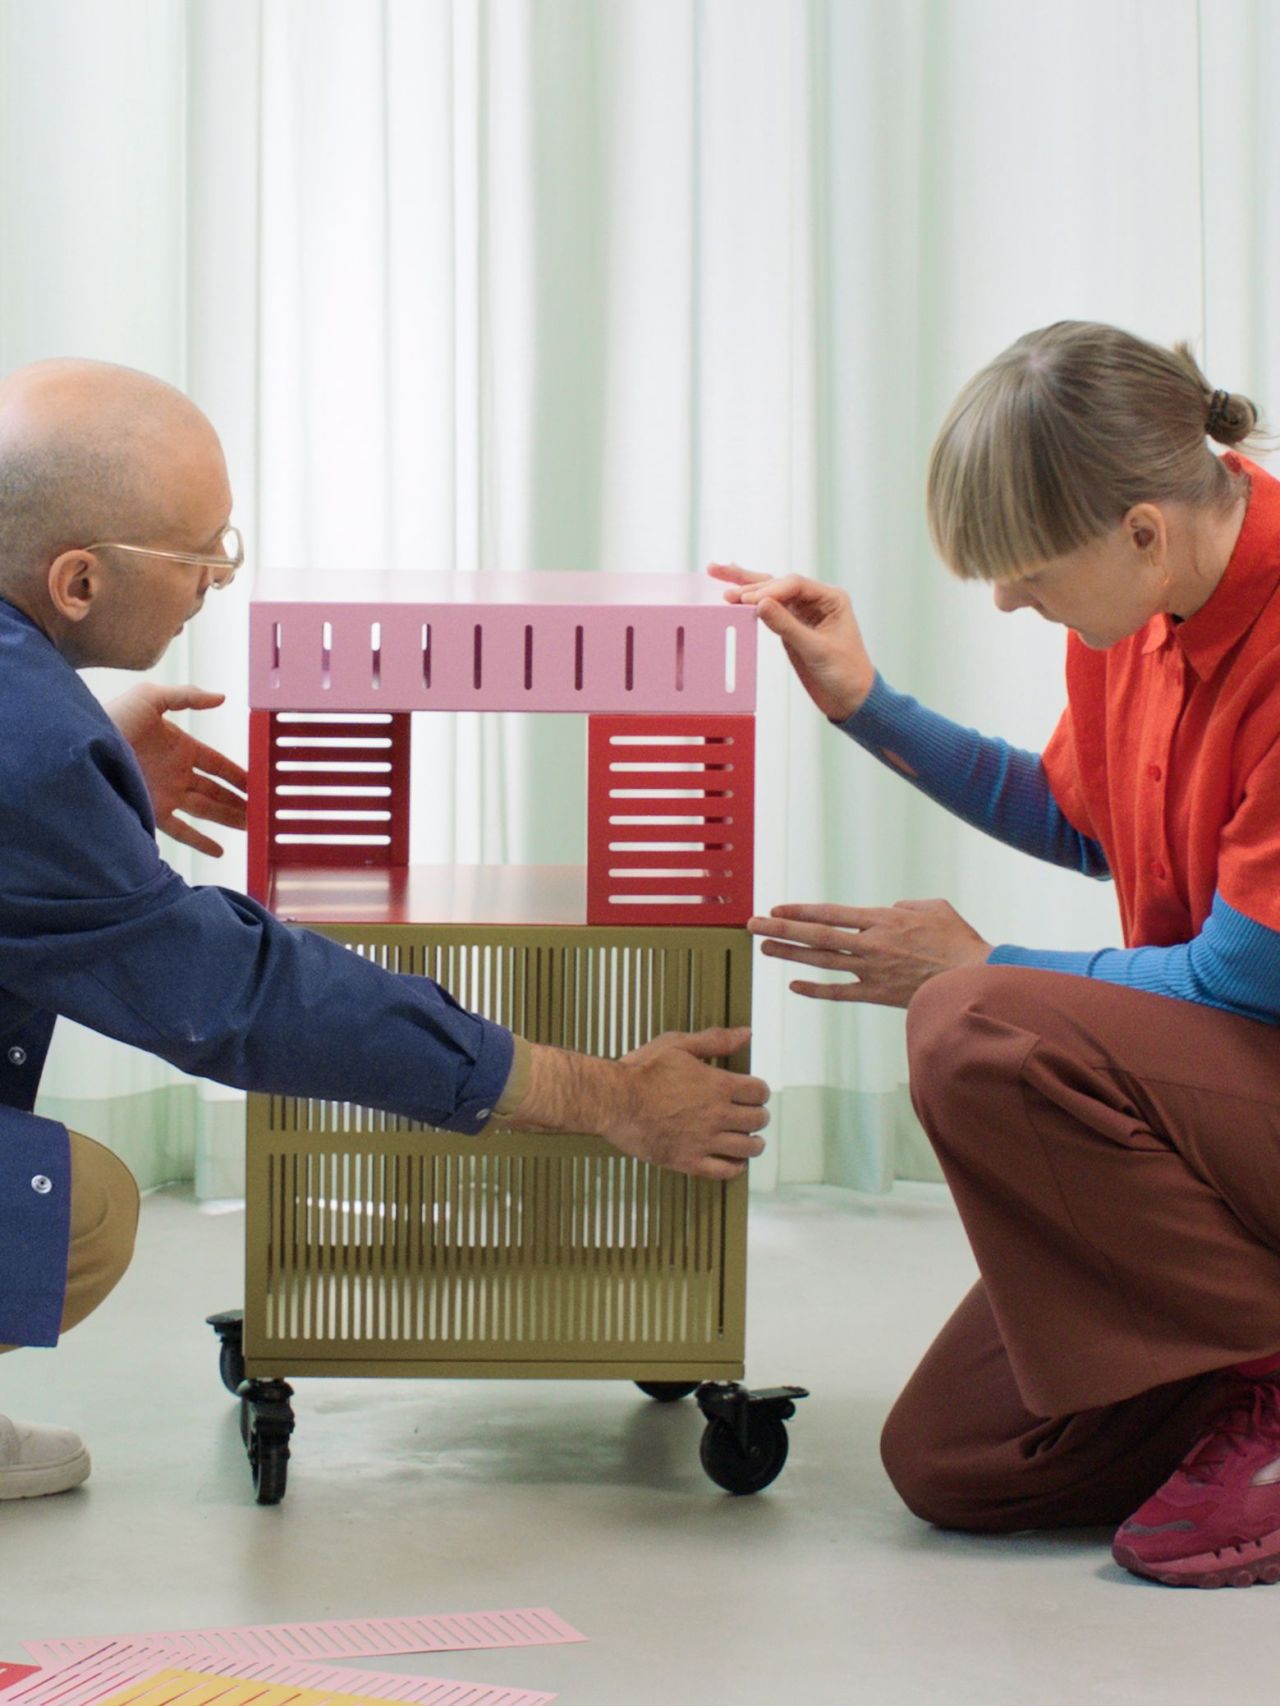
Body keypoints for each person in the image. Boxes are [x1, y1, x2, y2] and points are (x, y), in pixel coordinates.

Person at [0, 356, 769, 1501]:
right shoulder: (30, 756)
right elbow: (234, 996)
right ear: (77, 580)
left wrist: (90, 766)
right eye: (203, 552)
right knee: (76, 1209)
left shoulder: (32, 731)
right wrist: (601, 1093)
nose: (218, 576)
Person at [712, 320, 1280, 1591]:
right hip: (1234, 1110)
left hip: (1256, 1070)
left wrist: (975, 964)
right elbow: (1084, 820)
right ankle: (1236, 1377)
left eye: (1025, 572)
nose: (1009, 601)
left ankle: (1264, 1382)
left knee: (972, 1023)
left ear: (1141, 530)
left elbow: (1246, 978)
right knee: (956, 1462)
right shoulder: (1143, 607)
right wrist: (865, 703)